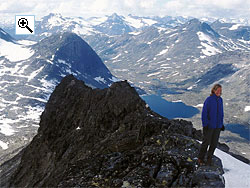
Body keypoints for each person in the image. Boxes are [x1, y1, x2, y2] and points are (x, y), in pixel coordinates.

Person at [198, 84, 225, 166]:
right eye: (217, 90)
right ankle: (200, 158)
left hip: (217, 126)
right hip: (209, 126)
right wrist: (205, 125)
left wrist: (221, 124)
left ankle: (209, 158)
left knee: (214, 143)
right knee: (206, 142)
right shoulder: (209, 100)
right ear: (213, 90)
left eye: (220, 90)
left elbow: (221, 113)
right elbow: (204, 113)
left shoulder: (220, 100)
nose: (219, 92)